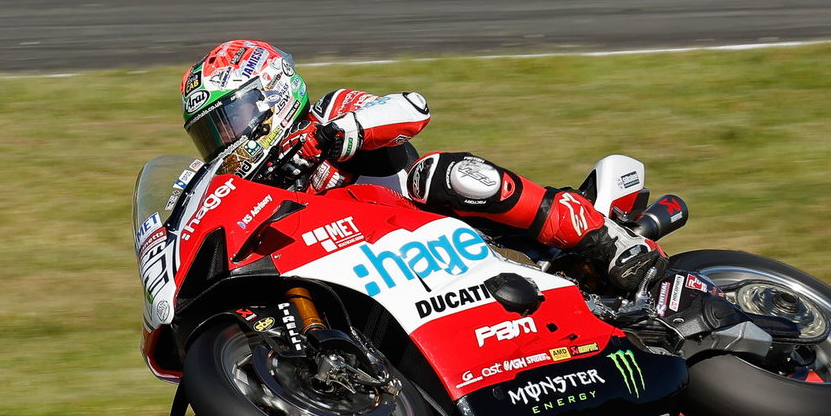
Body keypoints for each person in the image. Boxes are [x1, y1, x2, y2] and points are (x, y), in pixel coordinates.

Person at [179, 38, 666, 296]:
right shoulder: (249, 185)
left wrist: (335, 135)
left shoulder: (331, 110)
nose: (225, 141)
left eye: (229, 121)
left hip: (435, 231)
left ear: (273, 94)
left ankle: (605, 239)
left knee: (440, 173)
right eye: (211, 134)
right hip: (378, 275)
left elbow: (412, 108)